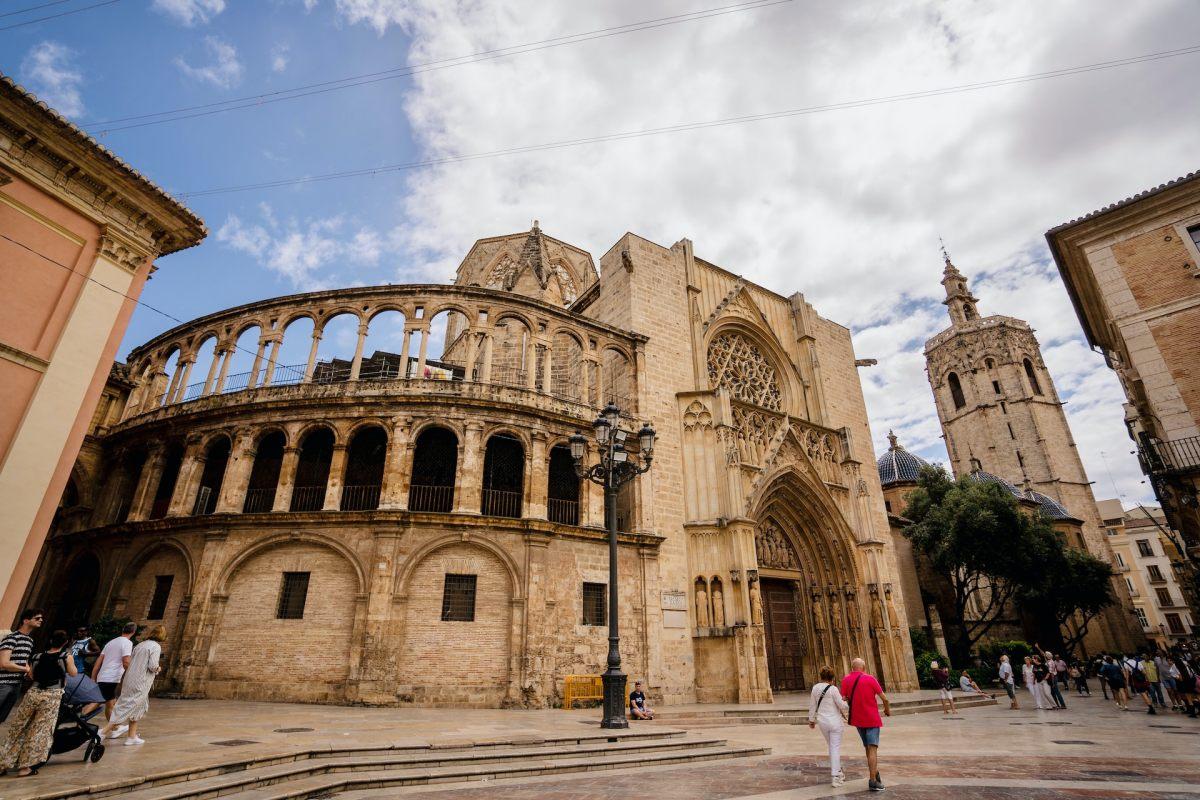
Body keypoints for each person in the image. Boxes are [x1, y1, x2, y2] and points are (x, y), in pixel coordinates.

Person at [0, 629, 77, 776]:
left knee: (18, 727)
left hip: (33, 693)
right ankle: (25, 767)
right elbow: (73, 673)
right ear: (66, 642)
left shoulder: (36, 656)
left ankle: (3, 763)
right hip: (51, 695)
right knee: (39, 730)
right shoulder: (65, 656)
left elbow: (31, 675)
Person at [100, 626, 164, 746]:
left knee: (139, 706)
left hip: (130, 679)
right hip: (141, 682)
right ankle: (103, 732)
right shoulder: (156, 646)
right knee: (127, 706)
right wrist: (158, 668)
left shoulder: (140, 645)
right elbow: (152, 666)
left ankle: (132, 736)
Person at [841, 657, 891, 792]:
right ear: (863, 668)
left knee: (868, 748)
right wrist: (887, 709)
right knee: (873, 748)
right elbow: (884, 698)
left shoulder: (846, 680)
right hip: (872, 718)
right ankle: (873, 781)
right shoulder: (870, 679)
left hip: (857, 720)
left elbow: (843, 699)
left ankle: (875, 772)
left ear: (852, 668)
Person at [808, 665, 849, 788]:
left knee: (832, 747)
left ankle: (839, 772)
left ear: (821, 676)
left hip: (823, 722)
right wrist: (847, 702)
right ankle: (835, 776)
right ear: (832, 677)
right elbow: (842, 706)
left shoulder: (815, 688)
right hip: (835, 722)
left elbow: (812, 705)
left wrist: (811, 720)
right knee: (834, 747)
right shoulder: (833, 689)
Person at [0, 609, 43, 723]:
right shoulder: (12, 638)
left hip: (17, 684)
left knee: (2, 717)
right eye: (37, 618)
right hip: (3, 683)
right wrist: (25, 669)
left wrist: (28, 671)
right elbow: (3, 663)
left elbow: (24, 660)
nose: (41, 620)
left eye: (41, 618)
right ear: (26, 620)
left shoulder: (29, 641)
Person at [92, 622, 136, 723]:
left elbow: (98, 661)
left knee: (110, 703)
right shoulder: (127, 643)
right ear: (133, 632)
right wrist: (133, 676)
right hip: (111, 677)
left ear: (123, 629)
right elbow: (126, 662)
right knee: (97, 701)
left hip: (103, 676)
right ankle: (81, 717)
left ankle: (114, 729)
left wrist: (93, 677)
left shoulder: (111, 642)